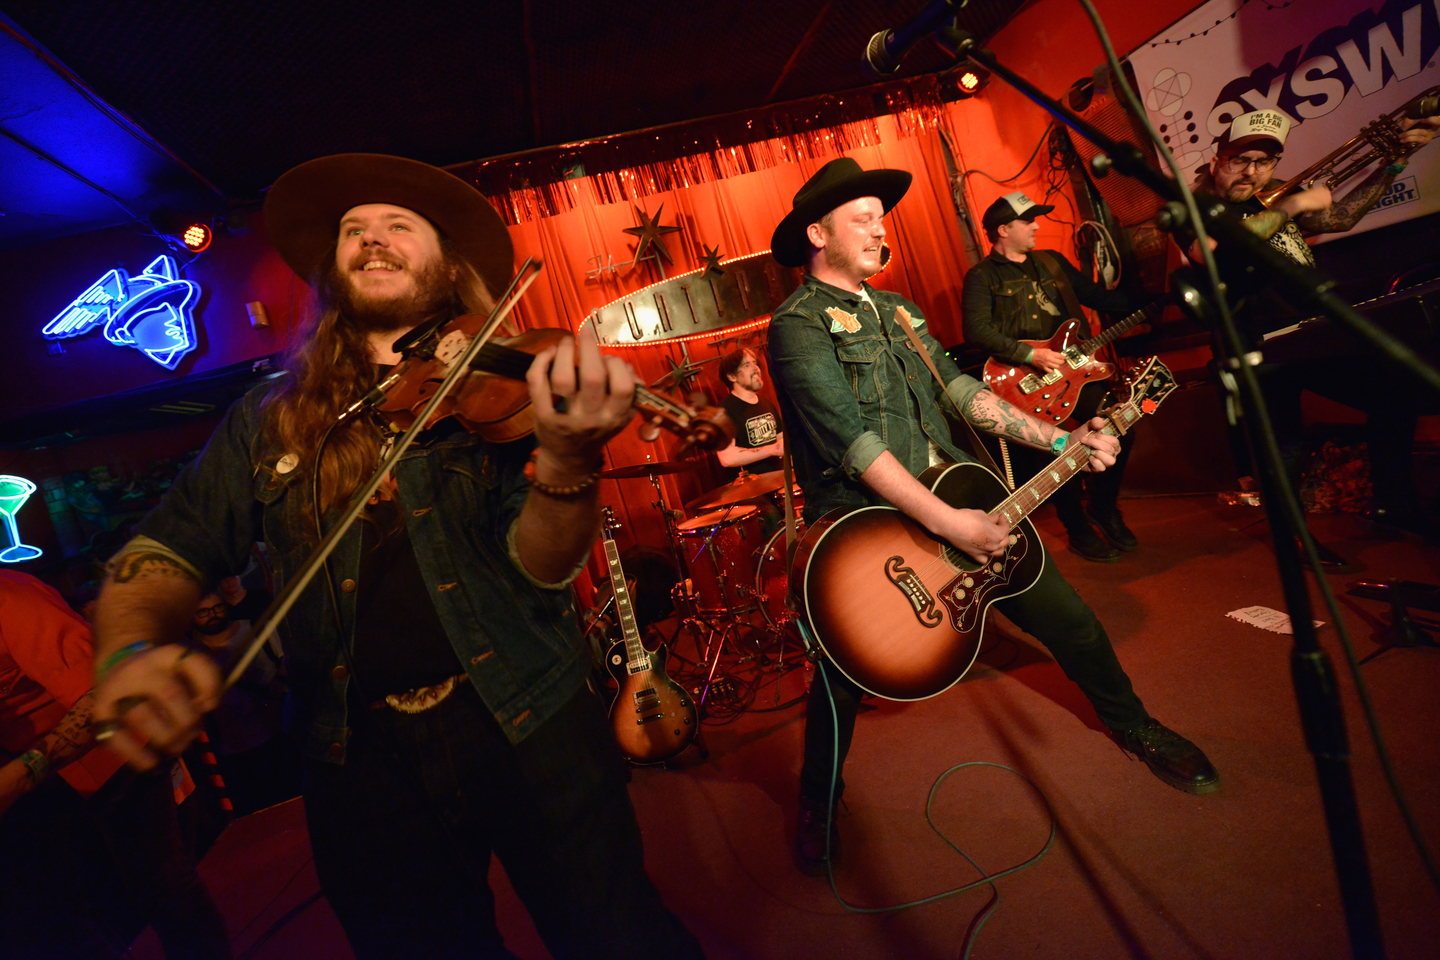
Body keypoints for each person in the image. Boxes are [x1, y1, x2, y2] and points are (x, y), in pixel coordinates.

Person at [88, 153, 705, 960]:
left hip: (528, 714)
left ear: (446, 262)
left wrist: (565, 461)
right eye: (353, 230)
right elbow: (168, 546)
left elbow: (545, 567)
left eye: (397, 226)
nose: (371, 239)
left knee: (619, 937)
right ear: (331, 266)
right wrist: (129, 646)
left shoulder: (503, 387)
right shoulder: (268, 419)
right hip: (354, 756)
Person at [766, 157, 1220, 875]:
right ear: (819, 233)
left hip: (964, 499)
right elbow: (855, 446)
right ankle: (819, 801)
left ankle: (1135, 725)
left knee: (1070, 620)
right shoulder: (796, 325)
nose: (878, 227)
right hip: (869, 526)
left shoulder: (900, 311)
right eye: (862, 218)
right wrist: (949, 525)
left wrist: (1062, 439)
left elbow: (962, 393)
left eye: (879, 217)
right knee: (840, 678)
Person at [1191, 108, 1440, 560]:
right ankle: (1292, 537)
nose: (1251, 172)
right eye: (1238, 160)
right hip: (1254, 341)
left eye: (1264, 162)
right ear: (1216, 160)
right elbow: (1214, 254)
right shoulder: (1197, 206)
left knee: (1394, 395)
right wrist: (1291, 206)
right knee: (1284, 443)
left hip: (1311, 332)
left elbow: (1339, 218)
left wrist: (1395, 163)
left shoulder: (1273, 194)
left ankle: (1394, 504)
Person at [0, 569, 230, 960]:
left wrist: (24, 772)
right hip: (54, 786)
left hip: (114, 761)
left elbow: (100, 696)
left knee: (162, 887)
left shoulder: (11, 597)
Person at [961, 191, 1147, 562]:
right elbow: (976, 330)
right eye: (1028, 220)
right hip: (1021, 383)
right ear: (1003, 229)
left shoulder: (1052, 263)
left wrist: (1152, 298)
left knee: (1121, 425)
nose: (1036, 225)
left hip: (1074, 374)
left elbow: (1098, 297)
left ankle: (1103, 505)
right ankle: (1076, 528)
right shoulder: (981, 277)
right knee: (1050, 453)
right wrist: (1029, 353)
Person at [714, 347, 785, 480]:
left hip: (778, 482)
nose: (755, 368)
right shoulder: (723, 411)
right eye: (747, 365)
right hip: (750, 492)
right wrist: (772, 449)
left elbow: (781, 441)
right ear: (732, 376)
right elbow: (727, 458)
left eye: (755, 363)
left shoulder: (767, 403)